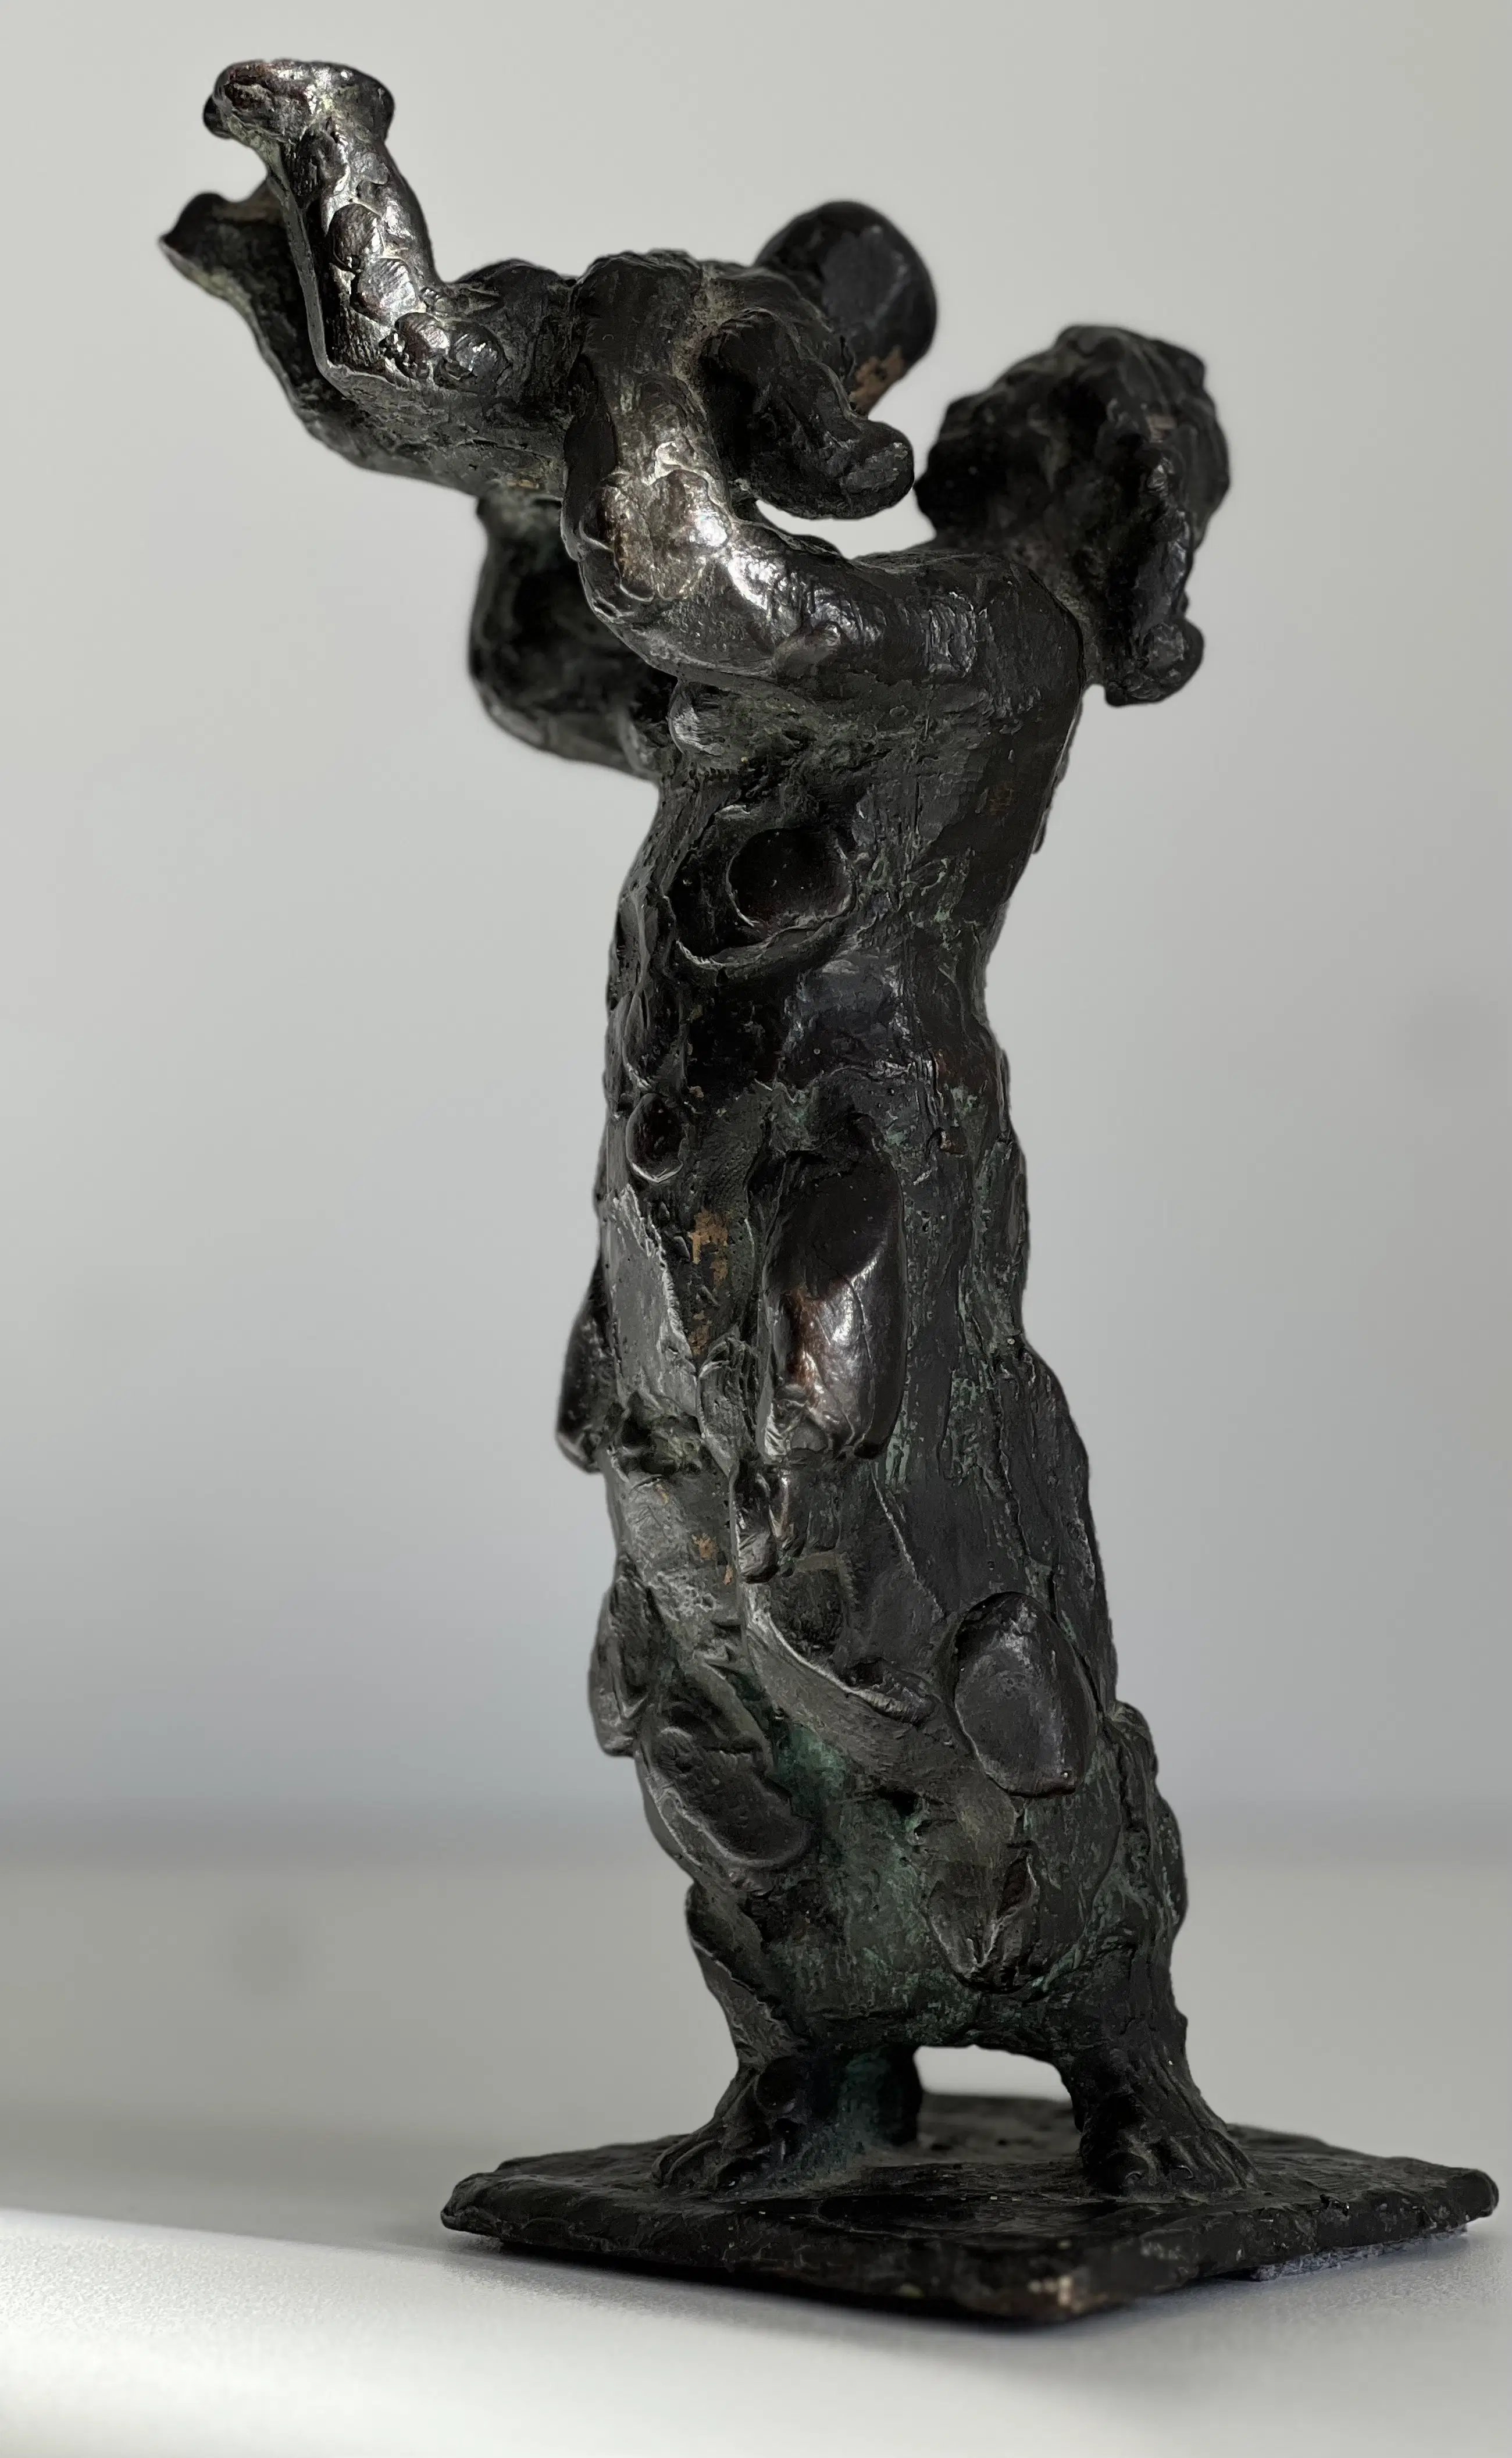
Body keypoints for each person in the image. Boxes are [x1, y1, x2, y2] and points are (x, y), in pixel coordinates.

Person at [167, 59, 1246, 2197]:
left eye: (1040, 402)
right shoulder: (849, 669)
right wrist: (519, 458)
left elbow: (691, 582)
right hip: (694, 1163)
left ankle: (1109, 2045)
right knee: (690, 1589)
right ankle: (813, 2045)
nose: (982, 407)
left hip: (853, 1154)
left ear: (1094, 481)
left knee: (877, 1560)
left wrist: (654, 334)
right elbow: (557, 665)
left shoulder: (986, 629)